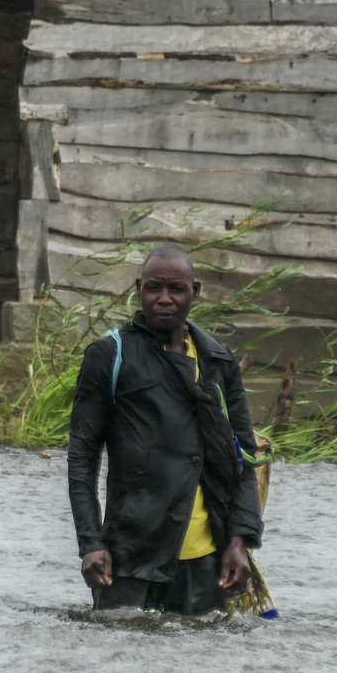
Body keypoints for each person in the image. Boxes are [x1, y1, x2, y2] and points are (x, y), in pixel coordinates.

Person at [67, 243, 264, 615]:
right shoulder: (110, 355)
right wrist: (91, 542)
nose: (164, 299)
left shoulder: (217, 359)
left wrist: (240, 541)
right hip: (130, 554)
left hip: (207, 559)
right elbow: (82, 458)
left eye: (177, 289)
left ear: (196, 292)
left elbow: (243, 457)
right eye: (154, 288)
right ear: (138, 290)